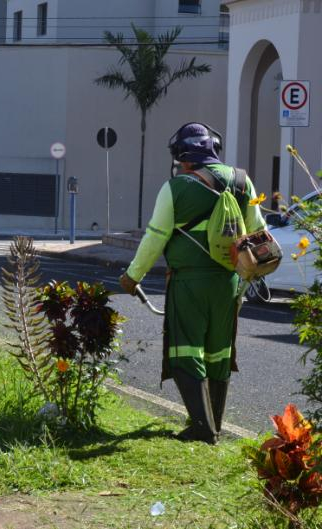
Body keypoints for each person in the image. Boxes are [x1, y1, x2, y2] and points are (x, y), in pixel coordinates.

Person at [119, 122, 266, 444]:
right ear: (214, 149)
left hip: (188, 282)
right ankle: (214, 425)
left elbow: (155, 238)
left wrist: (133, 276)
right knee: (220, 351)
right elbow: (257, 231)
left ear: (182, 157)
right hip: (230, 282)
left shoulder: (176, 187)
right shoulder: (243, 181)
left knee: (186, 349)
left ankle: (201, 427)